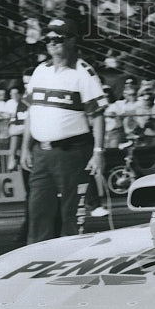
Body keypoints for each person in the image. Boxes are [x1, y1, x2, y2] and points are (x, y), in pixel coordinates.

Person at [20, 18, 107, 243]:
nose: (53, 43)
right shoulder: (40, 70)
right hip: (42, 153)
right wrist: (25, 148)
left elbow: (97, 115)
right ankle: (37, 259)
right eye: (48, 39)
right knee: (38, 209)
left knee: (71, 211)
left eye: (58, 38)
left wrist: (98, 152)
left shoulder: (84, 72)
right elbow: (31, 112)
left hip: (72, 152)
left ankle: (71, 260)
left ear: (71, 41)